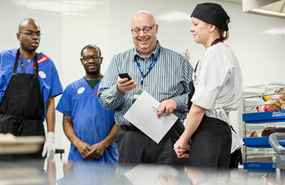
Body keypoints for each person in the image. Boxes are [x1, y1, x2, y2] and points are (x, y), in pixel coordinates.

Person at [98, 11, 193, 165]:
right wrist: (118, 90)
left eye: (147, 29)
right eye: (136, 30)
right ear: (131, 32)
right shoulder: (118, 61)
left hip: (169, 138)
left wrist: (176, 102)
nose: (142, 34)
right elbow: (104, 100)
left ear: (156, 29)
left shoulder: (179, 62)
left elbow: (197, 97)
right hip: (131, 141)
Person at [0, 18, 63, 163]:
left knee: (33, 179)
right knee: (5, 177)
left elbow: (50, 102)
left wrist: (51, 137)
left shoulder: (47, 63)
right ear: (19, 36)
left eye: (38, 34)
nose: (35, 37)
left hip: (34, 130)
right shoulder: (3, 58)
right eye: (30, 33)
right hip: (6, 128)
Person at [174, 3, 243, 169]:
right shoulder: (220, 52)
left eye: (196, 24)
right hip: (210, 131)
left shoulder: (216, 54)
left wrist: (184, 139)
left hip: (212, 131)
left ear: (212, 26)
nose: (192, 29)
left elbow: (199, 107)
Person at [56, 44, 119, 164]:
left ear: (101, 59)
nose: (91, 61)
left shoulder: (113, 88)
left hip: (108, 155)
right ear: (81, 61)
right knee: (78, 182)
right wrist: (78, 144)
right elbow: (66, 122)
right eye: (86, 58)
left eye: (95, 57)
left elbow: (119, 121)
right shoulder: (72, 89)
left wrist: (103, 145)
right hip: (79, 155)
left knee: (108, 183)